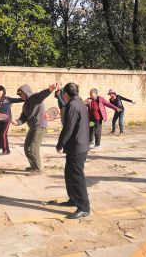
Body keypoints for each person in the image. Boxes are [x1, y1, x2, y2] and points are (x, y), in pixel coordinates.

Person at [55, 82, 91, 219]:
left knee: (76, 177)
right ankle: (73, 199)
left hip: (77, 146)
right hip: (78, 145)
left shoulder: (72, 105)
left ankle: (84, 207)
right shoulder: (80, 103)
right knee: (69, 174)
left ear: (66, 94)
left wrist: (60, 144)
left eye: (63, 95)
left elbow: (68, 128)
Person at [11, 83, 57, 172]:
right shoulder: (25, 105)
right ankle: (33, 166)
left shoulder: (35, 97)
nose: (21, 96)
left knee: (33, 148)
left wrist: (49, 90)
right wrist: (16, 122)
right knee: (27, 147)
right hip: (32, 127)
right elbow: (23, 117)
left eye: (21, 94)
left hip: (40, 126)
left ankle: (37, 168)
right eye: (19, 95)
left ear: (26, 92)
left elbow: (42, 95)